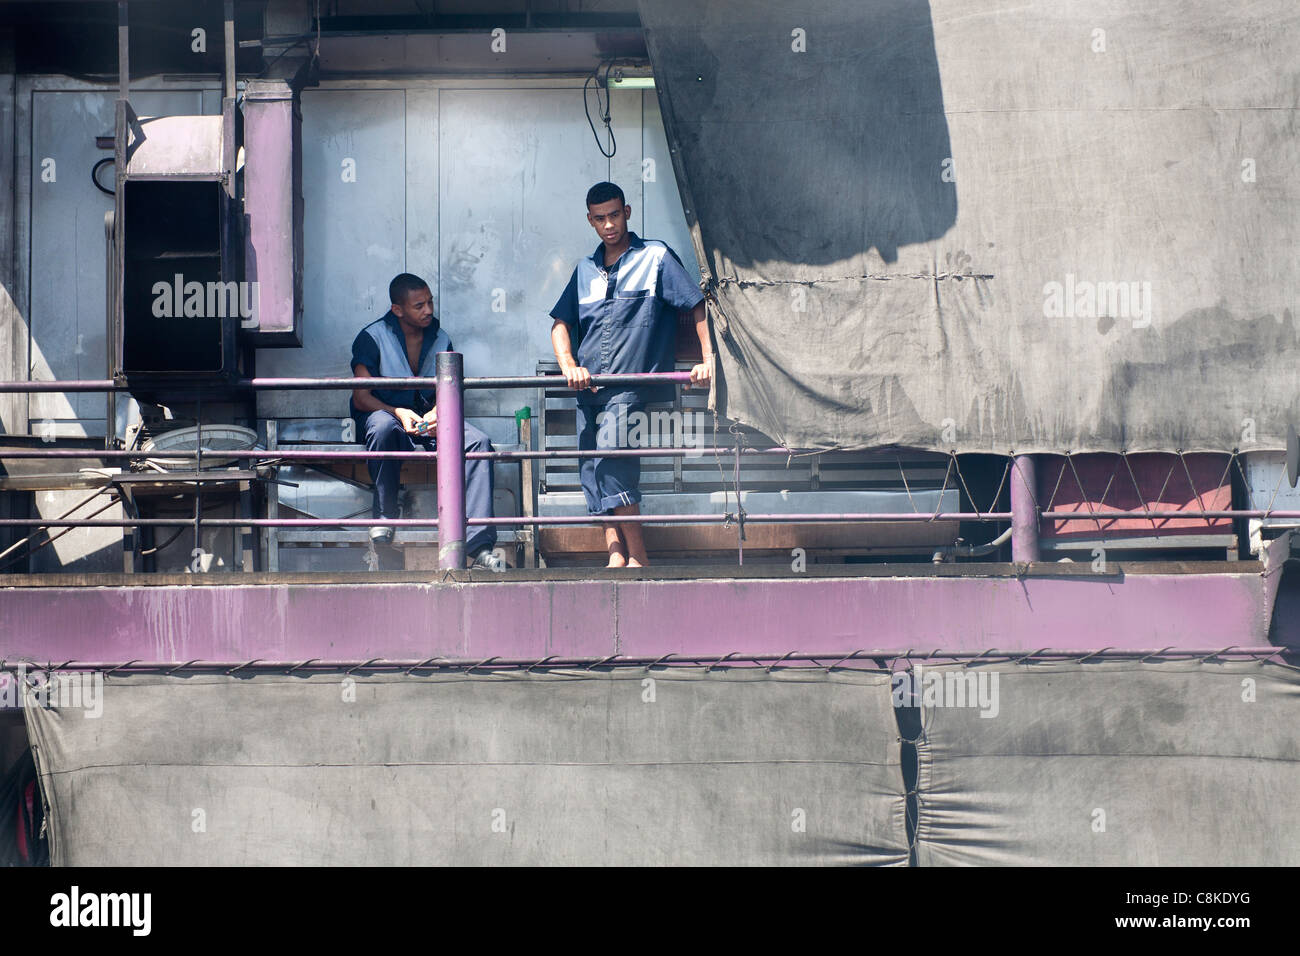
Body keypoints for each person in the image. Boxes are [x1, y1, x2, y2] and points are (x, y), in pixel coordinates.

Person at [549, 182, 713, 568]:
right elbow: (559, 324)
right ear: (590, 220)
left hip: (632, 388)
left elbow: (696, 304)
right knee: (591, 468)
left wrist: (707, 359)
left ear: (627, 211)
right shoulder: (584, 270)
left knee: (611, 459)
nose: (609, 225)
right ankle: (615, 553)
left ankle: (639, 555)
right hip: (589, 390)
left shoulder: (655, 257)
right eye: (600, 218)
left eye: (615, 215)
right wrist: (569, 366)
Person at [350, 273, 505, 572]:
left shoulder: (441, 337)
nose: (428, 310)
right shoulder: (372, 337)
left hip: (429, 426)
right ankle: (384, 517)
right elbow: (360, 397)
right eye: (419, 305)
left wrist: (439, 411)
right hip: (388, 421)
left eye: (430, 302)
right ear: (398, 310)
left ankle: (479, 544)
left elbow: (450, 387)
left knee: (479, 442)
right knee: (381, 426)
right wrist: (396, 412)